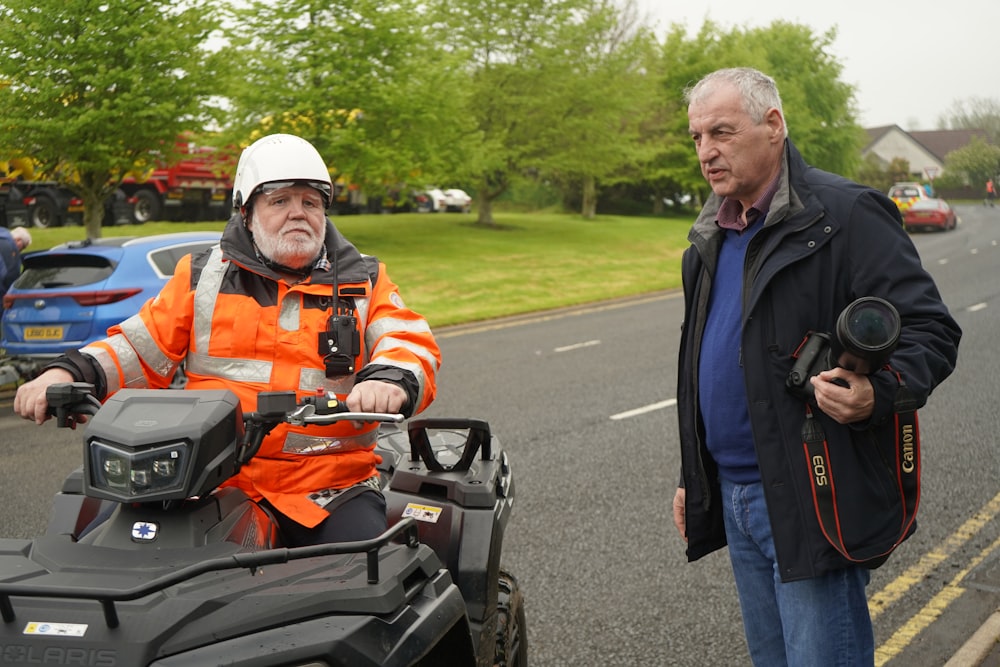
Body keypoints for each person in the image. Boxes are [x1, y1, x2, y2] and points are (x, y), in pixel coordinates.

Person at [13, 133, 442, 547]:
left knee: (366, 584)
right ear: (246, 212)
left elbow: (408, 341)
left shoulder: (365, 279)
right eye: (280, 201)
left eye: (310, 202)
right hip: (204, 478)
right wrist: (66, 372)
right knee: (102, 558)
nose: (299, 213)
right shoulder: (201, 277)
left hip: (327, 486)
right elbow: (137, 349)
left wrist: (388, 379)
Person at [672, 68, 961, 666]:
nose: (706, 151)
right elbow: (701, 367)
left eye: (721, 132)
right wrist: (692, 476)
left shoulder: (848, 213)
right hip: (735, 497)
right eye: (697, 137)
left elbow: (932, 329)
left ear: (773, 125)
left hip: (809, 489)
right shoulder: (708, 236)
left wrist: (876, 391)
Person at [0, 225, 31, 318]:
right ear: (18, 241)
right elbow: (9, 275)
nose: (20, 251)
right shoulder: (9, 247)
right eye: (23, 247)